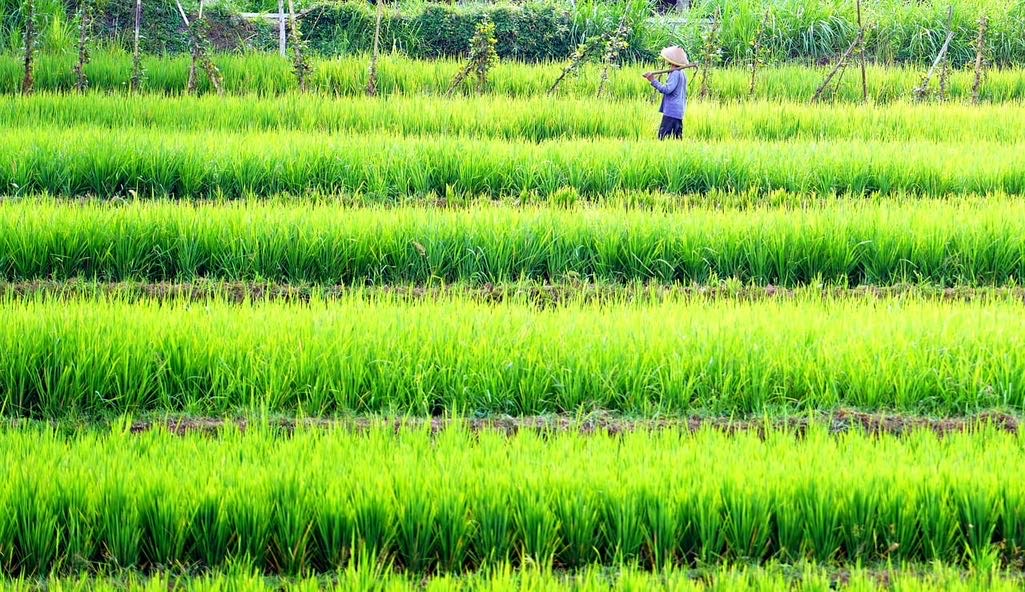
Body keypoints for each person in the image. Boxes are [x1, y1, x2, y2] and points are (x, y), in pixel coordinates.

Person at [644, 46, 691, 140]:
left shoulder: (676, 73)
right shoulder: (681, 73)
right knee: (676, 139)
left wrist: (653, 81)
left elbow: (667, 89)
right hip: (678, 111)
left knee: (663, 138)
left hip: (672, 111)